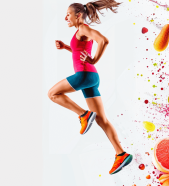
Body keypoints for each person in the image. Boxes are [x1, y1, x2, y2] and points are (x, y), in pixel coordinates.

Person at [48, 0, 132, 175]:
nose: (66, 18)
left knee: (52, 93)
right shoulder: (79, 33)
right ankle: (121, 154)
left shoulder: (83, 29)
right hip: (92, 78)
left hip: (85, 75)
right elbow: (80, 51)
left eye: (68, 14)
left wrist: (94, 59)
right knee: (102, 120)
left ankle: (83, 114)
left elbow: (103, 40)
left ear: (78, 15)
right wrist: (66, 47)